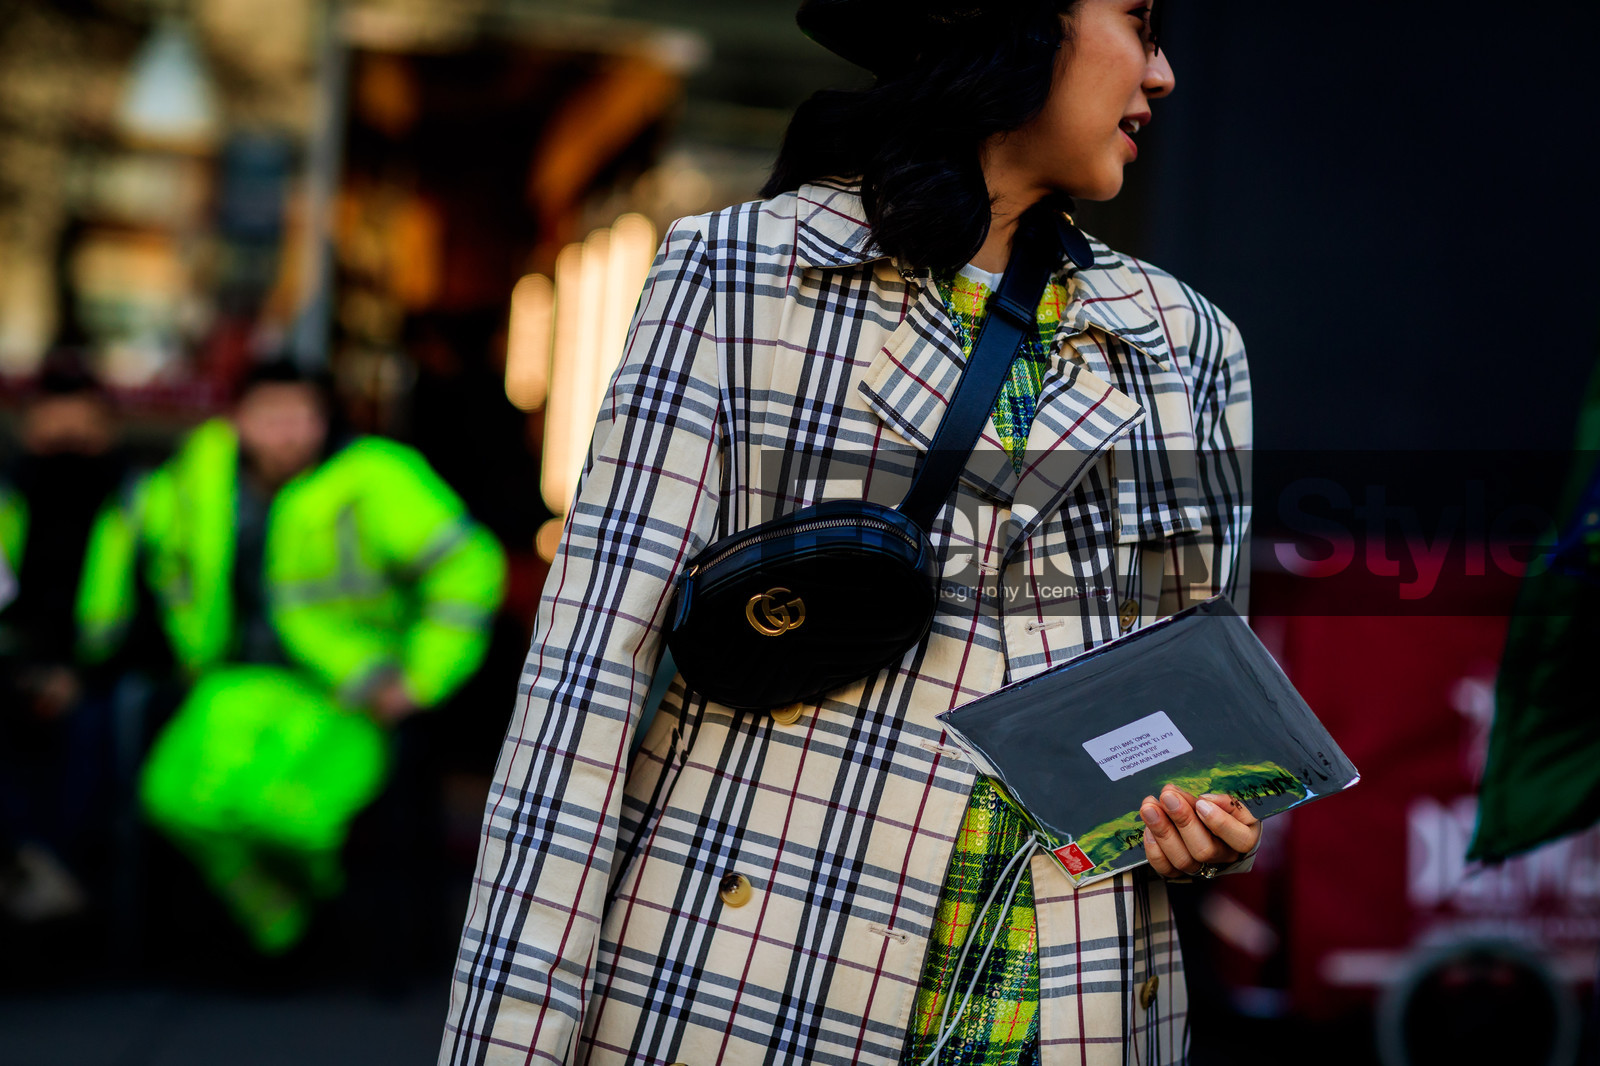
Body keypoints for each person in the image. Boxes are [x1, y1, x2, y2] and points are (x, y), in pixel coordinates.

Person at [443, 2, 1258, 1063]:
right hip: (750, 975)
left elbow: (1196, 707)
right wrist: (510, 1043)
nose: (1162, 74)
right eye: (1138, 21)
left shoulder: (1185, 343)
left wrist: (1207, 823)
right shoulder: (745, 275)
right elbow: (581, 691)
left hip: (1065, 1002)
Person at [78, 359, 507, 952]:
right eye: (269, 416)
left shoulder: (378, 476)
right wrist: (106, 644)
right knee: (174, 800)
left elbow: (470, 568)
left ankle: (309, 925)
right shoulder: (197, 474)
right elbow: (125, 536)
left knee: (288, 817)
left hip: (347, 689)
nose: (285, 434)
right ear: (237, 419)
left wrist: (422, 677)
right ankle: (282, 927)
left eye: (301, 417)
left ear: (324, 419)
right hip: (229, 682)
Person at [0, 353, 128, 924]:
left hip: (100, 673)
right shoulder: (7, 497)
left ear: (107, 430)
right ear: (30, 427)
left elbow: (159, 611)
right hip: (14, 666)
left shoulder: (136, 502)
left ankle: (55, 872)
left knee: (91, 728)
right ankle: (27, 866)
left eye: (83, 423)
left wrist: (77, 675)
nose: (68, 436)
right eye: (55, 422)